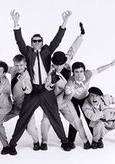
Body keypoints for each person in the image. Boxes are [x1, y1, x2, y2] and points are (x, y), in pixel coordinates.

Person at [8, 9, 72, 155]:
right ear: (31, 43)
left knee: (55, 115)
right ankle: (12, 145)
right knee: (23, 117)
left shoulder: (47, 51)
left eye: (39, 41)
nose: (36, 43)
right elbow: (19, 42)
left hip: (46, 90)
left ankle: (65, 141)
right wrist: (16, 24)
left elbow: (58, 40)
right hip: (33, 91)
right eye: (34, 41)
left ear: (42, 42)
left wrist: (65, 22)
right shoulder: (28, 52)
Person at [40, 22, 90, 150]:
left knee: (76, 120)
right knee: (45, 121)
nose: (58, 67)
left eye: (60, 64)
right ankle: (44, 142)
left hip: (65, 99)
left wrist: (81, 35)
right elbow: (46, 86)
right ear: (53, 63)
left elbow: (73, 49)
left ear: (64, 62)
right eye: (56, 65)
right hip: (51, 101)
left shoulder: (66, 62)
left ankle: (85, 141)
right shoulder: (50, 72)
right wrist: (51, 82)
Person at [0, 45, 40, 152]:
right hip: (15, 106)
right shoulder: (15, 71)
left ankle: (36, 142)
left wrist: (24, 85)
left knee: (30, 129)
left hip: (26, 108)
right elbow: (4, 66)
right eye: (17, 65)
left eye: (21, 65)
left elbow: (29, 90)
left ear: (25, 64)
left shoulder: (27, 75)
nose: (19, 67)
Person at [66, 58, 115, 149]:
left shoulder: (88, 74)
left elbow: (99, 69)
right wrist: (68, 90)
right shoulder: (70, 81)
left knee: (91, 118)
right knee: (75, 118)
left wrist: (110, 64)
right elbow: (67, 93)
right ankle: (71, 141)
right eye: (77, 72)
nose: (79, 74)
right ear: (73, 73)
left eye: (81, 71)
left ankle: (97, 139)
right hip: (73, 99)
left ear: (84, 71)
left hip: (85, 98)